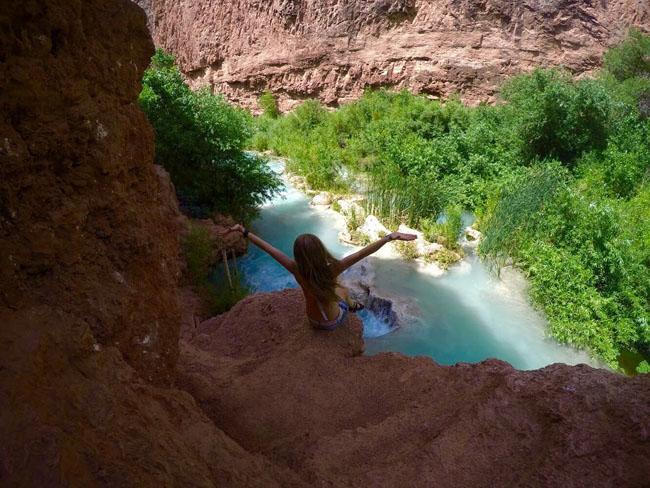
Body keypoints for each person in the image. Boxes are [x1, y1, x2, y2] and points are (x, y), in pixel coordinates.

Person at [230, 224, 416, 330]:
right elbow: (361, 254)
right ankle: (353, 306)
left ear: (297, 254)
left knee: (336, 289)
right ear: (320, 251)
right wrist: (389, 237)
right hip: (333, 323)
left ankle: (351, 305)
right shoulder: (332, 270)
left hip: (313, 321)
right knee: (341, 289)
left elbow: (269, 249)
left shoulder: (295, 269)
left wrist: (244, 232)